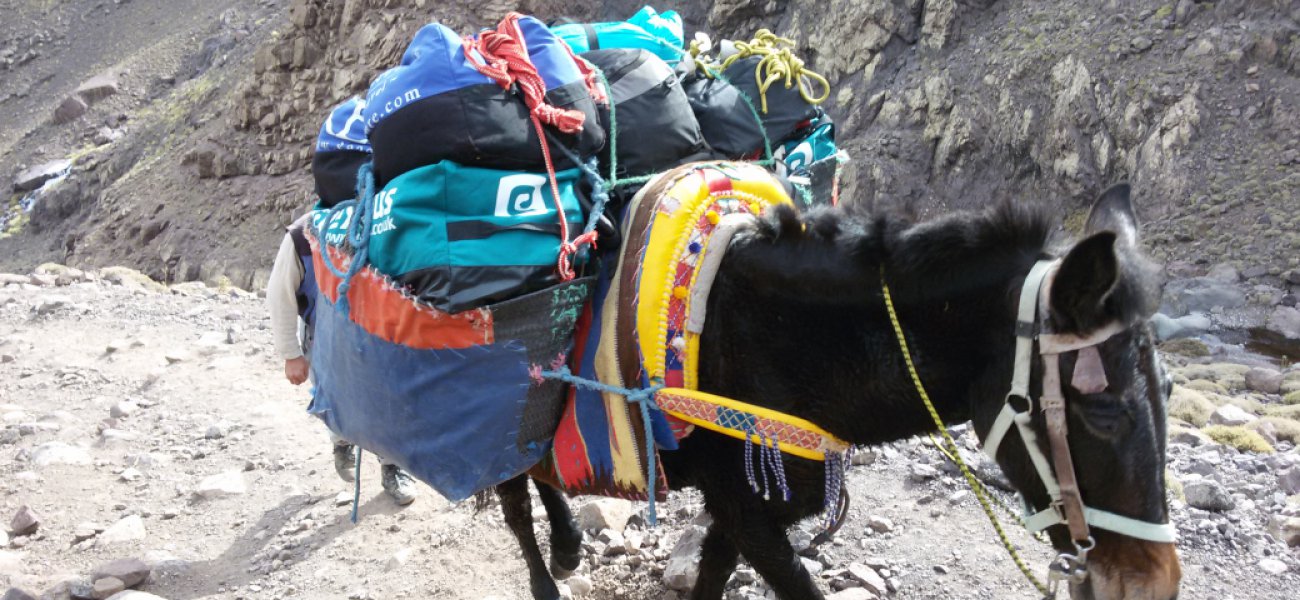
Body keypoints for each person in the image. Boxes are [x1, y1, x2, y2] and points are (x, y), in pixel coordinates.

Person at [265, 98, 418, 506]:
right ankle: (341, 441)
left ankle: (393, 467)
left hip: (379, 337)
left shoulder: (388, 226)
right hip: (325, 343)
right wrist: (291, 355)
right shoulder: (303, 235)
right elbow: (280, 294)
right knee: (334, 397)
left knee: (387, 402)